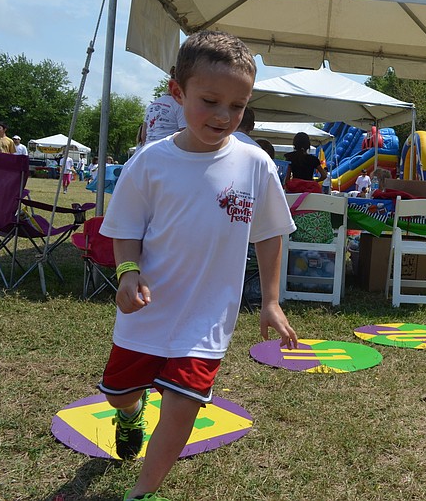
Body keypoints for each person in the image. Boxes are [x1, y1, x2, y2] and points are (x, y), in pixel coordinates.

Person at [97, 30, 298, 501]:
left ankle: (143, 492)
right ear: (178, 92)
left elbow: (270, 232)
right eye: (210, 101)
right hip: (147, 311)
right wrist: (127, 272)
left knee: (184, 404)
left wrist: (271, 300)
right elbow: (125, 227)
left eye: (237, 105)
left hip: (208, 318)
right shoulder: (150, 162)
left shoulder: (255, 164)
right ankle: (129, 414)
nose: (223, 116)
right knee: (119, 391)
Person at [140, 66, 189, 146]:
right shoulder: (180, 105)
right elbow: (185, 136)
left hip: (148, 148)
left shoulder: (152, 105)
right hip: (168, 150)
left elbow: (143, 136)